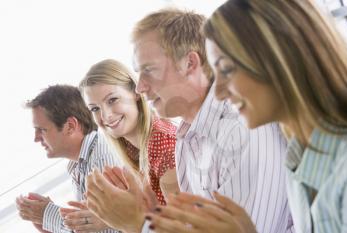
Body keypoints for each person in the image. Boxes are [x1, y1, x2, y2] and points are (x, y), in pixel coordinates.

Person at [146, 0, 347, 233]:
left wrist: (142, 224)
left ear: (277, 58)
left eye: (227, 69)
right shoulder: (299, 158)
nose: (220, 92)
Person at [86, 8, 293, 233]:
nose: (140, 87)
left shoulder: (240, 129)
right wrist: (154, 219)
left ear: (190, 63)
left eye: (149, 70)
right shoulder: (187, 136)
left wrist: (140, 224)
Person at [79, 59, 178, 232]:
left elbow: (183, 227)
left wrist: (120, 220)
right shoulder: (134, 148)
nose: (106, 116)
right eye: (95, 109)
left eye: (112, 100)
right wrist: (112, 216)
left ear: (136, 91)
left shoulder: (162, 145)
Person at [16, 85, 120, 233]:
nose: (36, 138)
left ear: (70, 126)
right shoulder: (79, 163)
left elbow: (107, 230)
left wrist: (48, 215)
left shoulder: (102, 161)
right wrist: (45, 222)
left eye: (42, 130)